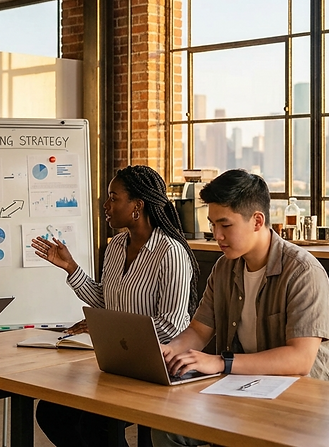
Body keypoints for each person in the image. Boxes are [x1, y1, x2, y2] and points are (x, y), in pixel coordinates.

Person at [152, 169, 329, 447]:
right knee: (166, 426)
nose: (216, 235)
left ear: (257, 221)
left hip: (305, 402)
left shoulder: (302, 271)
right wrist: (168, 351)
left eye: (225, 225)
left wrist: (221, 362)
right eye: (212, 224)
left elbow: (300, 360)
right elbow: (199, 330)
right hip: (247, 390)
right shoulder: (225, 267)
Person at [30, 164, 200, 447]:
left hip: (158, 366)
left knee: (96, 423)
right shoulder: (117, 245)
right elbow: (105, 300)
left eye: (113, 197)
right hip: (117, 363)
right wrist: (71, 268)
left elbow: (172, 324)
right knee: (51, 412)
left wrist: (110, 331)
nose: (105, 205)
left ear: (137, 205)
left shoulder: (170, 252)